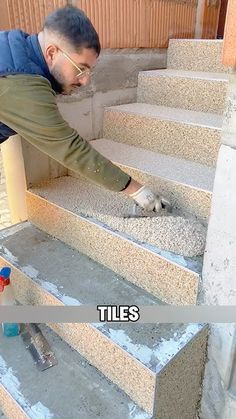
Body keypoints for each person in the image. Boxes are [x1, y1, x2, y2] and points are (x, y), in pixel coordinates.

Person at [0, 5, 170, 213]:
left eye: (90, 70)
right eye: (81, 68)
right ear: (52, 52)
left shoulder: (14, 51)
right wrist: (136, 190)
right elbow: (70, 148)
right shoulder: (20, 81)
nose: (85, 80)